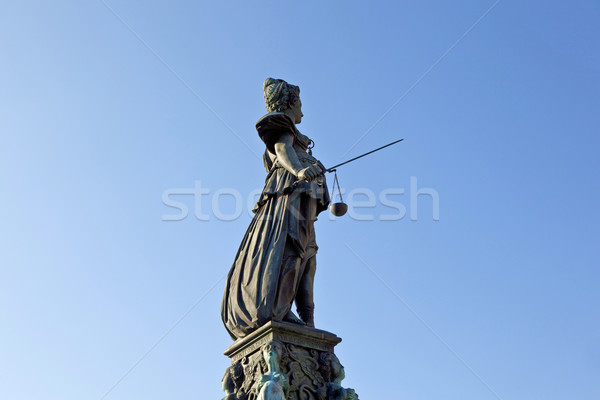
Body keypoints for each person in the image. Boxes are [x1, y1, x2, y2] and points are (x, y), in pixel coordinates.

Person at [221, 78, 330, 340]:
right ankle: (280, 310)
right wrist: (300, 169)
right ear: (291, 102)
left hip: (302, 198)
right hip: (290, 194)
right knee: (291, 249)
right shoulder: (284, 128)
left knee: (308, 257)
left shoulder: (296, 136)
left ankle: (308, 320)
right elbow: (282, 149)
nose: (302, 110)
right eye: (300, 103)